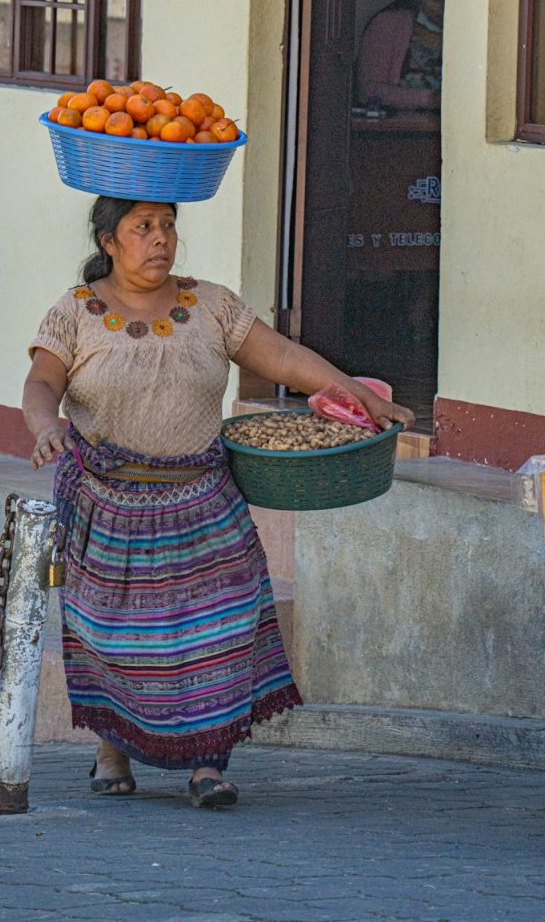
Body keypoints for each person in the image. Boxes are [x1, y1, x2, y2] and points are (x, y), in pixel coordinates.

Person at [23, 198, 414, 808]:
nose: (161, 238)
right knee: (117, 637)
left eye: (168, 226)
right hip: (109, 503)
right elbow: (42, 382)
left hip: (203, 500)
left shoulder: (210, 304)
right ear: (108, 241)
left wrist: (361, 396)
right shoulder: (74, 312)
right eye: (143, 228)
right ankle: (112, 747)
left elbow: (282, 357)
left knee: (219, 628)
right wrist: (46, 425)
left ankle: (208, 763)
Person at [357, 0, 446, 111]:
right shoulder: (388, 25)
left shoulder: (471, 30)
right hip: (398, 124)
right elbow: (368, 90)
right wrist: (429, 99)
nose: (445, 8)